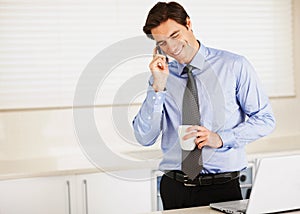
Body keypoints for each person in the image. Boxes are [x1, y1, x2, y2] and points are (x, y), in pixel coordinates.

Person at [132, 1, 275, 210]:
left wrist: (221, 138)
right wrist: (159, 87)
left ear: (188, 24)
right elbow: (144, 137)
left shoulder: (234, 66)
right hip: (175, 188)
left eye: (174, 35)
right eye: (162, 43)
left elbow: (265, 120)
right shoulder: (160, 77)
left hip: (223, 188)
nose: (171, 48)